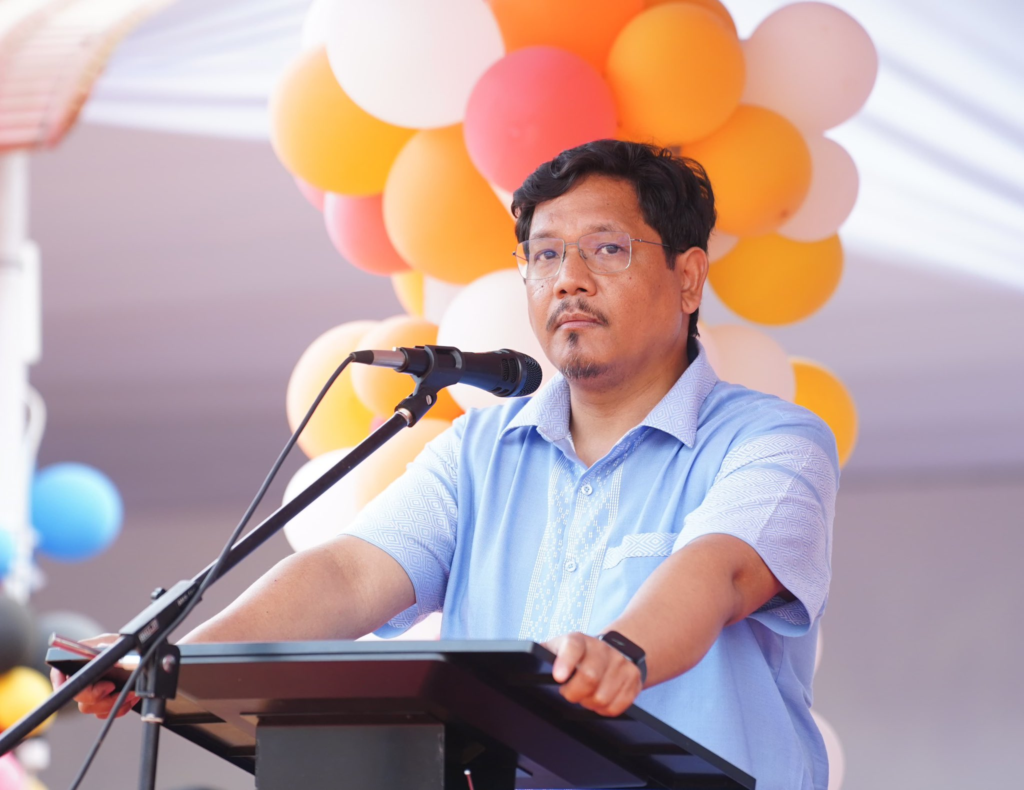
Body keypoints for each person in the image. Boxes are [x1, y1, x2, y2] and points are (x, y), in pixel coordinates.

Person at [60, 140, 838, 790]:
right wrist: (170, 663)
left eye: (606, 248)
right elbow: (349, 576)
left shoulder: (771, 440)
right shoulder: (479, 450)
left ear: (689, 276)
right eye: (544, 254)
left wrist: (624, 651)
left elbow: (720, 569)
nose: (568, 278)